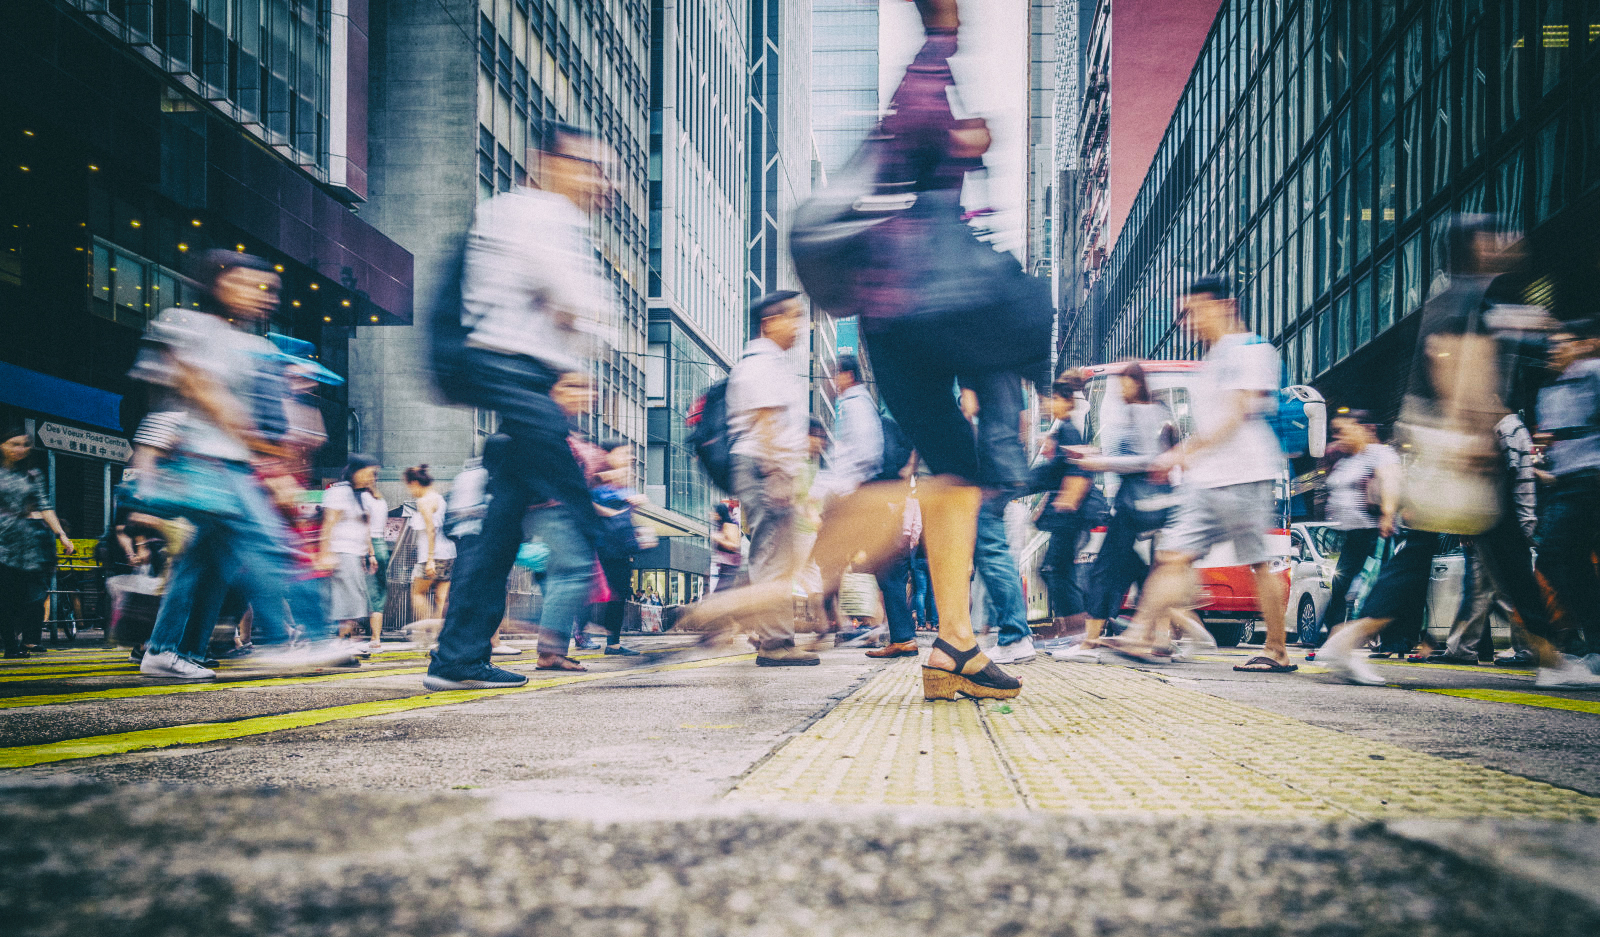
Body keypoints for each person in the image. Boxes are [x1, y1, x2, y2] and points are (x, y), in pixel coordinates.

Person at [1320, 217, 1600, 689]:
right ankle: (1349, 639)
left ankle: (1552, 660)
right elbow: (1451, 359)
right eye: (1494, 237)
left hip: (1454, 443)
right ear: (1475, 248)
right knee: (1441, 553)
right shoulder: (1472, 297)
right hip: (1461, 447)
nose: (1507, 242)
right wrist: (1472, 431)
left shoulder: (1466, 296)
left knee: (1499, 555)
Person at [424, 119, 615, 690]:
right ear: (548, 162)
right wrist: (572, 312)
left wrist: (570, 315)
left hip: (524, 377)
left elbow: (575, 315)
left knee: (500, 526)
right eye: (587, 164)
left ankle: (458, 658)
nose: (600, 181)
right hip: (506, 368)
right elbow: (586, 305)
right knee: (570, 485)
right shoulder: (536, 213)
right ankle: (605, 549)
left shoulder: (539, 217)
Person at [127, 250, 351, 679]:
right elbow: (201, 392)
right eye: (253, 285)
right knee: (271, 547)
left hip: (232, 465)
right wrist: (263, 452)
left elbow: (273, 413)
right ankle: (304, 638)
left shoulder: (253, 346)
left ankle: (166, 651)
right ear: (220, 282)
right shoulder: (183, 323)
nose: (263, 297)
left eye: (270, 291)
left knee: (202, 565)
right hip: (211, 464)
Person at [1104, 276, 1294, 673]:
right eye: (1184, 313)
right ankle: (1139, 634)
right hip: (1205, 481)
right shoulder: (1213, 359)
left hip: (1245, 474)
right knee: (1173, 556)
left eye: (1194, 310)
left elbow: (1240, 411)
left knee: (1258, 561)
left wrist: (1185, 451)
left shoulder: (1252, 349)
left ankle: (1276, 649)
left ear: (1224, 305)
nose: (1188, 321)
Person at [1059, 362, 1178, 661]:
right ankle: (1161, 635)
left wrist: (1101, 463)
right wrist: (1099, 456)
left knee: (1106, 567)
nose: (1123, 389)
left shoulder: (1142, 412)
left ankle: (1091, 641)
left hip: (1136, 502)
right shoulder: (1154, 411)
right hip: (1146, 502)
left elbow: (1147, 460)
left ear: (1138, 384)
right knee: (1143, 567)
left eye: (1127, 382)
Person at [726, 291, 813, 666]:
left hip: (766, 465)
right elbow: (765, 422)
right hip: (763, 466)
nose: (799, 326)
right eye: (793, 317)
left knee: (778, 555)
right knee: (771, 555)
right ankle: (774, 642)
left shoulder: (770, 362)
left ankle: (772, 636)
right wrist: (778, 473)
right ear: (770, 322)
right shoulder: (761, 363)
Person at [1534, 317, 1600, 671]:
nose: (1554, 350)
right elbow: (1553, 441)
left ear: (1581, 345)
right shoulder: (1549, 390)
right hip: (1562, 484)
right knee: (1566, 562)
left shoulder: (1594, 373)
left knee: (1554, 555)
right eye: (1551, 345)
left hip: (1589, 479)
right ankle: (1592, 643)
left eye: (1562, 343)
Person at [1308, 411, 1399, 648]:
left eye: (1343, 430)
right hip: (1354, 533)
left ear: (1362, 428)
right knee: (1341, 587)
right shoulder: (1347, 459)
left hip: (1375, 532)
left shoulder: (1379, 453)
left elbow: (1389, 481)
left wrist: (1388, 515)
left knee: (1379, 586)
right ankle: (1335, 638)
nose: (1339, 436)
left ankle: (1374, 639)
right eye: (1336, 432)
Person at [0, 426, 74, 658]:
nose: (19, 449)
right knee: (5, 595)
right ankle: (11, 646)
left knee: (26, 597)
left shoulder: (32, 474)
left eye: (24, 445)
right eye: (14, 444)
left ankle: (20, 642)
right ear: (2, 446)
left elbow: (45, 506)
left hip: (24, 543)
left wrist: (61, 534)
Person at [591, 438, 653, 656]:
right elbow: (589, 500)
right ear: (608, 454)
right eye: (624, 452)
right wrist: (625, 499)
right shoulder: (598, 476)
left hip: (618, 547)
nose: (630, 458)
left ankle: (613, 643)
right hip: (602, 547)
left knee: (619, 594)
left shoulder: (621, 482)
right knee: (597, 593)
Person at [320, 455, 384, 650]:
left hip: (355, 555)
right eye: (369, 473)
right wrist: (325, 553)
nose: (372, 478)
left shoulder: (361, 496)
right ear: (356, 471)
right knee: (348, 602)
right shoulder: (339, 493)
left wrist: (369, 553)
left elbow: (365, 527)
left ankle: (344, 642)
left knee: (353, 601)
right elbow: (328, 524)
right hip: (341, 553)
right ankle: (343, 643)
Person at [404, 465, 454, 638]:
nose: (410, 490)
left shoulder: (424, 501)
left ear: (415, 483)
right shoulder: (440, 499)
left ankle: (424, 633)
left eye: (409, 486)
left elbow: (431, 529)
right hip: (449, 554)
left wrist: (430, 559)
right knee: (441, 598)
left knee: (417, 593)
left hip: (430, 556)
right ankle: (438, 636)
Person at [708, 501, 744, 593]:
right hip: (725, 568)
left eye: (714, 512)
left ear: (720, 513)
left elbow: (735, 546)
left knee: (720, 595)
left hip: (730, 568)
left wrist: (719, 539)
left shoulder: (728, 525)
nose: (711, 514)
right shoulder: (722, 526)